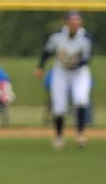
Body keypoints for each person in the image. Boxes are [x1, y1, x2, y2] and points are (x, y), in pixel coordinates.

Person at [35, 11, 93, 149]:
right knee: (59, 107)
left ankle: (80, 135)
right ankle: (59, 136)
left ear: (81, 23)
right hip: (61, 71)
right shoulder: (56, 36)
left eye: (77, 21)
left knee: (81, 100)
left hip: (79, 72)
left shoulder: (86, 38)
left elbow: (86, 59)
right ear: (66, 22)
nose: (75, 24)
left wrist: (73, 63)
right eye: (72, 21)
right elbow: (47, 52)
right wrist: (40, 67)